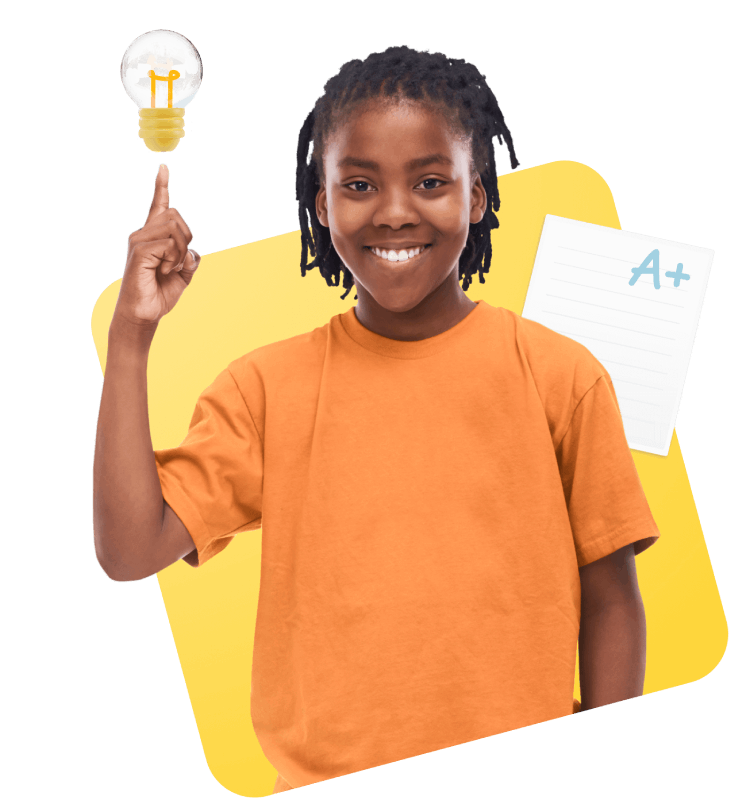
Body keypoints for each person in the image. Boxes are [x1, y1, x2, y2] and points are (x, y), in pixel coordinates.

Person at [93, 45, 659, 794]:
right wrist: (131, 335)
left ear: (477, 195)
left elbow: (611, 597)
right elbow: (130, 552)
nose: (394, 211)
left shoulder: (561, 375)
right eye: (359, 184)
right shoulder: (265, 389)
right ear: (322, 205)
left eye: (430, 181)